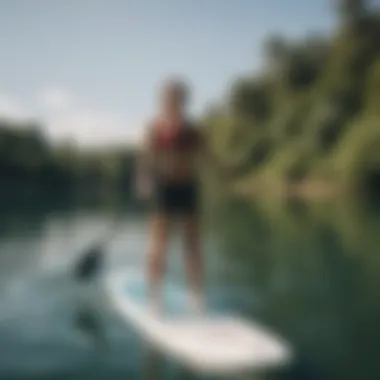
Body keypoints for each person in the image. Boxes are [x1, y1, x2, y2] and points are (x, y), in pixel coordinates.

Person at [135, 77, 227, 314]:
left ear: (184, 101)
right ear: (162, 101)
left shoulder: (193, 130)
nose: (171, 102)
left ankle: (196, 297)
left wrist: (221, 172)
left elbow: (208, 155)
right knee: (158, 245)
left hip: (188, 188)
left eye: (177, 98)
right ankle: (155, 297)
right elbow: (145, 161)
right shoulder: (154, 128)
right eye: (167, 98)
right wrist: (144, 182)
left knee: (193, 246)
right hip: (163, 189)